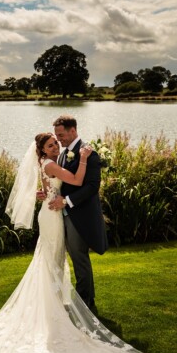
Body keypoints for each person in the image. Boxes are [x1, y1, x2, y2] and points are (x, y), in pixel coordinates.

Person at [0, 133, 157, 353]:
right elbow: (74, 180)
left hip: (51, 213)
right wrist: (84, 159)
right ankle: (52, 309)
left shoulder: (48, 162)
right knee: (50, 261)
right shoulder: (50, 164)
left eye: (57, 143)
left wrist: (46, 192)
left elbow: (51, 189)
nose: (57, 146)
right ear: (41, 149)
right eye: (51, 144)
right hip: (51, 218)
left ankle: (54, 304)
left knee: (53, 261)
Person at [46, 115, 108, 314]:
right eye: (56, 136)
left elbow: (92, 186)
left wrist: (66, 201)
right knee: (74, 257)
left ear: (73, 130)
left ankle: (86, 305)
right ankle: (82, 302)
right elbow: (64, 182)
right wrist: (50, 194)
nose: (59, 139)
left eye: (61, 135)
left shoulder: (89, 153)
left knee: (79, 258)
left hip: (80, 216)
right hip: (65, 215)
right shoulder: (64, 154)